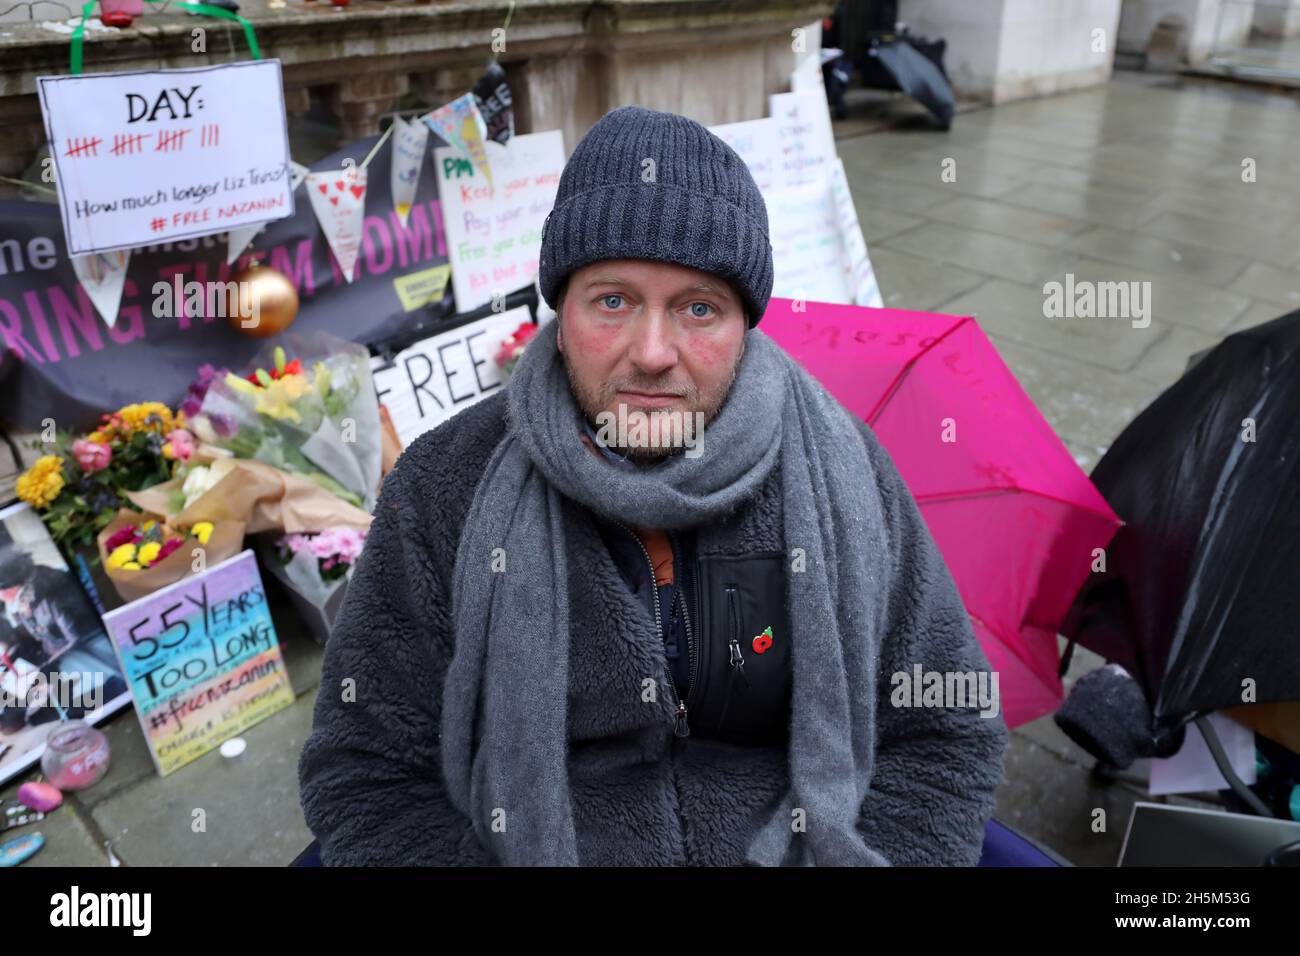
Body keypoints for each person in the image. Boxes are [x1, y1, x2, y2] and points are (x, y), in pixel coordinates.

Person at [298, 105, 1007, 866]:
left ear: (747, 324)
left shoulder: (845, 469)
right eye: (614, 301)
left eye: (699, 308)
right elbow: (367, 770)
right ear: (560, 311)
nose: (654, 352)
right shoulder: (446, 484)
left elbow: (945, 727)